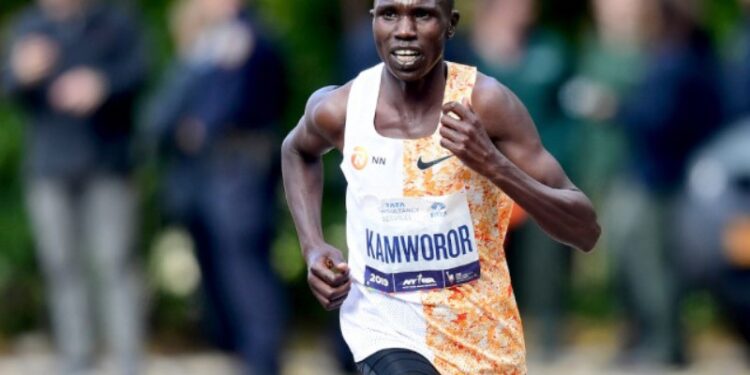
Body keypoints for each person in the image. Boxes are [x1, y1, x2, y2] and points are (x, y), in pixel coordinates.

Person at [281, 0, 600, 373]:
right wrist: (313, 246)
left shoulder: (485, 103)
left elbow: (585, 230)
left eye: (422, 15)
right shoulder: (343, 108)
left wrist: (493, 164)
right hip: (383, 326)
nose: (404, 29)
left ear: (451, 24)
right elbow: (296, 151)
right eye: (389, 14)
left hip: (482, 337)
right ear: (373, 23)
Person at [1, 0, 147, 374]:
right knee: (61, 267)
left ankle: (128, 361)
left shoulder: (116, 19)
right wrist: (22, 72)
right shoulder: (28, 25)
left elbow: (141, 73)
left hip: (108, 165)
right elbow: (8, 87)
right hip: (48, 168)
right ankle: (76, 361)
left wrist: (103, 84)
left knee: (114, 263)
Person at [145, 0, 288, 373]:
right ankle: (248, 352)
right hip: (220, 171)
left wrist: (204, 125)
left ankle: (261, 357)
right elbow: (161, 118)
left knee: (245, 265)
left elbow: (257, 96)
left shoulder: (249, 37)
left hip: (240, 166)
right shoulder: (219, 42)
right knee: (229, 266)